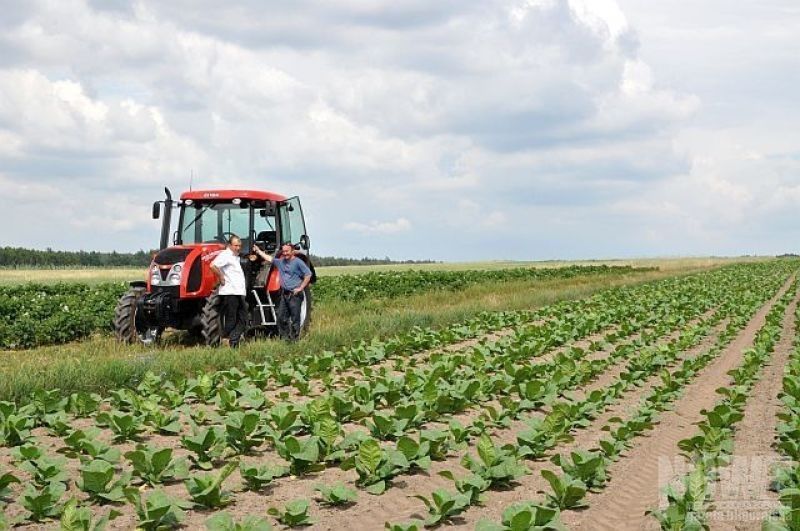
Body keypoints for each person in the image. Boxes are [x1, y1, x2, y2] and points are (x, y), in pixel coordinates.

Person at [252, 242, 312, 340]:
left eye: (287, 251)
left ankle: (294, 340)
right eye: (283, 251)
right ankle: (285, 338)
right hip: (285, 294)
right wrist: (258, 251)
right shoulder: (281, 262)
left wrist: (300, 288)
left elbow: (308, 274)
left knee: (295, 318)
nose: (285, 253)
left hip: (294, 295)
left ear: (292, 251)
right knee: (281, 317)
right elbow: (269, 258)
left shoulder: (298, 262)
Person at [210, 235, 248, 347]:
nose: (238, 248)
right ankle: (228, 339)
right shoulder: (225, 255)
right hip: (230, 292)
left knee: (243, 318)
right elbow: (213, 265)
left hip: (238, 292)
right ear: (229, 245)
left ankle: (232, 340)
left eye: (239, 246)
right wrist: (221, 277)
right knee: (232, 318)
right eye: (236, 245)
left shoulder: (235, 256)